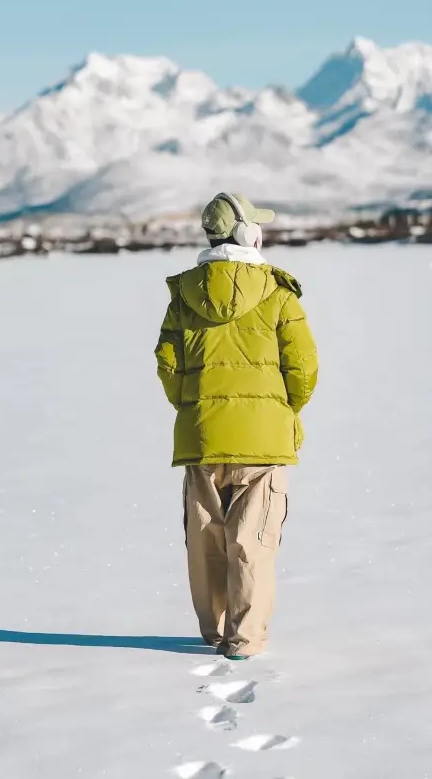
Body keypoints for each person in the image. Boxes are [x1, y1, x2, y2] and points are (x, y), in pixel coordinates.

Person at [155, 193, 318, 659]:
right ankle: (244, 642)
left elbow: (168, 366)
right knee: (253, 541)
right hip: (263, 446)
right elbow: (304, 368)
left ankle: (215, 631)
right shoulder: (278, 294)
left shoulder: (183, 296)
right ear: (248, 234)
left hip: (201, 440)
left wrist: (195, 409)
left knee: (206, 541)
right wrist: (283, 412)